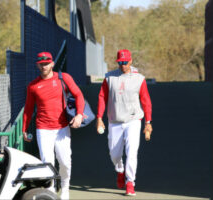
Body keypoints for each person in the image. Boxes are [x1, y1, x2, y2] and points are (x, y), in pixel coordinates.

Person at [22, 51, 85, 200]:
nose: (44, 66)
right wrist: (24, 128)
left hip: (62, 127)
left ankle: (65, 188)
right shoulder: (33, 86)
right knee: (47, 162)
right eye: (41, 64)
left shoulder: (64, 78)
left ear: (52, 64)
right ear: (38, 65)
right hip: (43, 129)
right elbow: (29, 108)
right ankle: (49, 190)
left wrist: (79, 114)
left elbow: (78, 95)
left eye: (47, 63)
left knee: (65, 162)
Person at [96, 49, 153, 196]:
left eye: (125, 62)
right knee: (114, 154)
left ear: (131, 61)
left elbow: (146, 101)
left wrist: (148, 121)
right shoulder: (109, 77)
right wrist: (99, 118)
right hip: (114, 121)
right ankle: (120, 169)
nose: (123, 65)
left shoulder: (139, 78)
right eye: (120, 62)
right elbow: (102, 97)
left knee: (132, 151)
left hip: (133, 120)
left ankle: (130, 182)